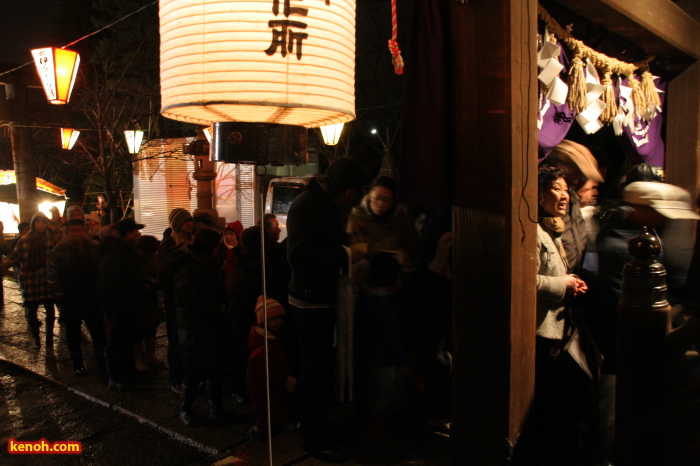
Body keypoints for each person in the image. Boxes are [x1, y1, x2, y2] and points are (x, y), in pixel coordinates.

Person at [286, 157, 365, 463]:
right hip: (309, 300)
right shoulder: (307, 205)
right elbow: (300, 253)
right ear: (341, 187)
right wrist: (346, 253)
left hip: (322, 297)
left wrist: (347, 239)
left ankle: (321, 424)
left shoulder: (324, 203)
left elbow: (324, 241)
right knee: (313, 370)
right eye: (351, 190)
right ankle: (311, 436)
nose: (352, 197)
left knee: (322, 368)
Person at [525, 164, 602, 465]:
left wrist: (570, 283)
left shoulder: (551, 228)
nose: (564, 195)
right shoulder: (533, 230)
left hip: (555, 329)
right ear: (539, 193)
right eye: (555, 189)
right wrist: (563, 284)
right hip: (540, 331)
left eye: (565, 190)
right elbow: (525, 281)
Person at [169, 228, 230, 426]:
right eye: (215, 246)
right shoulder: (187, 267)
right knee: (194, 371)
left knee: (214, 368)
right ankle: (185, 409)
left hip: (211, 324)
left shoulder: (209, 264)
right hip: (193, 325)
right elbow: (189, 298)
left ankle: (216, 409)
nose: (218, 250)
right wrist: (217, 308)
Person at [226, 223, 290, 403]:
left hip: (261, 324)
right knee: (244, 358)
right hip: (250, 327)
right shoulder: (245, 271)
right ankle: (241, 390)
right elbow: (237, 308)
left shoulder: (260, 263)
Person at [355, 252, 409, 442]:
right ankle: (378, 429)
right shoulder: (385, 302)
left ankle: (373, 426)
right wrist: (402, 360)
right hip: (384, 359)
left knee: (373, 394)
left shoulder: (363, 295)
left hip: (368, 356)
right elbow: (392, 334)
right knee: (382, 397)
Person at [47, 218, 106, 376]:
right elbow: (52, 277)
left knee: (97, 330)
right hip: (70, 298)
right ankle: (78, 363)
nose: (76, 234)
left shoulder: (93, 247)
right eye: (73, 231)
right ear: (67, 232)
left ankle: (100, 359)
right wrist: (60, 299)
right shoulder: (59, 251)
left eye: (79, 230)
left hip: (91, 296)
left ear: (84, 231)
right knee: (73, 332)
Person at [99, 218, 148, 390]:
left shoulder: (126, 252)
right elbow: (112, 284)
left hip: (129, 306)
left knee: (127, 342)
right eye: (135, 232)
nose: (138, 234)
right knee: (117, 342)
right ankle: (117, 377)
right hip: (121, 307)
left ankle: (128, 374)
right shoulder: (117, 254)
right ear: (128, 234)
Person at [545, 140, 605, 273]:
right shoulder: (546, 198)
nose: (580, 175)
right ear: (558, 165)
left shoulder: (573, 197)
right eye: (576, 169)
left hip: (574, 275)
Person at [248, 296, 298, 441]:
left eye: (281, 318)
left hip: (271, 398)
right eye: (274, 318)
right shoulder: (263, 348)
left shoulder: (271, 340)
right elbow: (269, 372)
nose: (279, 322)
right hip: (267, 399)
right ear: (264, 321)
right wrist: (286, 380)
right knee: (267, 425)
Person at [4, 212, 56, 349]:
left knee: (50, 310)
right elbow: (14, 255)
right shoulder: (24, 240)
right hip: (30, 279)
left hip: (45, 279)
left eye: (43, 222)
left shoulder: (50, 239)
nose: (41, 225)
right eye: (38, 222)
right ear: (33, 223)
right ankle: (35, 338)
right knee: (31, 311)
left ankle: (49, 337)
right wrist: (9, 262)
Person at [157, 208, 194, 394]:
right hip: (174, 300)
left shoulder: (192, 240)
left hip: (189, 298)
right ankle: (175, 378)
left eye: (190, 220)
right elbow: (163, 273)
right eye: (185, 220)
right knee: (175, 340)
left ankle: (189, 375)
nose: (189, 223)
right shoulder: (168, 245)